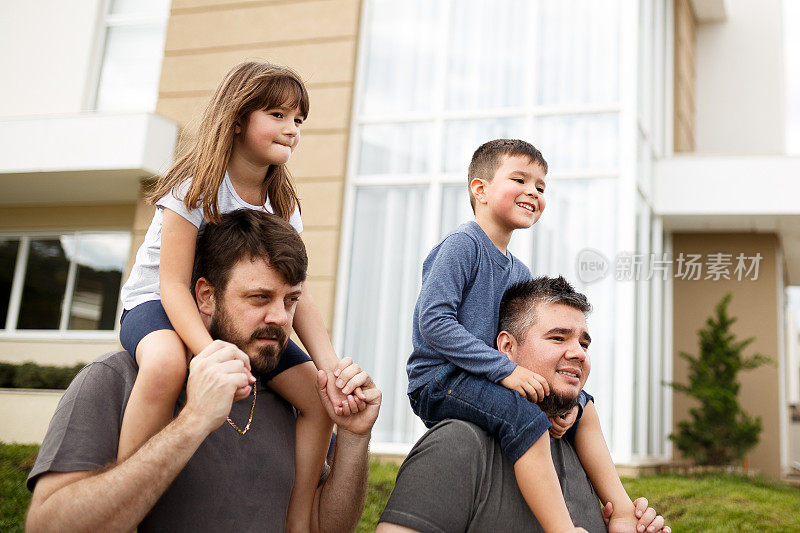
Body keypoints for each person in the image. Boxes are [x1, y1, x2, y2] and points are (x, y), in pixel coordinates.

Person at [26, 210, 381, 532]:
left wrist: (354, 436)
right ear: (206, 296)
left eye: (290, 300)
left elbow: (320, 528)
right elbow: (46, 528)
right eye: (259, 298)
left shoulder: (299, 403)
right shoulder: (115, 379)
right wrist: (193, 420)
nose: (280, 318)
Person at [117, 61, 354, 531]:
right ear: (239, 117)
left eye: (298, 121)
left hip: (239, 318)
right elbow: (171, 283)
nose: (292, 130)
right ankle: (126, 504)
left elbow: (294, 295)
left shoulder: (282, 205)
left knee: (316, 396)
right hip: (160, 304)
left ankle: (297, 518)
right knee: (165, 364)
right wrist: (209, 354)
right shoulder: (196, 185)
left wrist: (328, 364)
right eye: (278, 115)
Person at [381, 277, 670, 533]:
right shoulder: (459, 444)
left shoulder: (581, 447)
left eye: (584, 344)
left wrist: (626, 521)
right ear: (507, 347)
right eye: (558, 338)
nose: (579, 354)